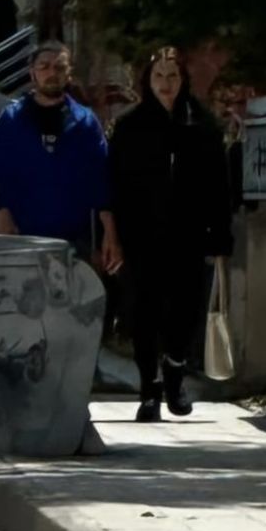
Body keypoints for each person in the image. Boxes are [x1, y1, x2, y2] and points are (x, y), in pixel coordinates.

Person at [109, 47, 233, 422]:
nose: (166, 84)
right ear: (148, 80)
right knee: (144, 314)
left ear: (183, 79)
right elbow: (114, 184)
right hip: (141, 236)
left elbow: (219, 186)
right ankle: (150, 390)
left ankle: (175, 376)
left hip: (189, 236)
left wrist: (220, 237)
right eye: (159, 76)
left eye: (173, 76)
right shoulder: (130, 126)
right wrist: (113, 235)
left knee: (184, 312)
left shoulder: (202, 125)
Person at [0, 40, 123, 272]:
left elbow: (100, 178)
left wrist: (110, 234)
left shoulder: (85, 122)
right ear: (33, 73)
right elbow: (0, 173)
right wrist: (3, 214)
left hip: (74, 240)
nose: (52, 73)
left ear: (69, 73)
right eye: (44, 66)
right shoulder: (12, 120)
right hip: (24, 237)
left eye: (59, 67)